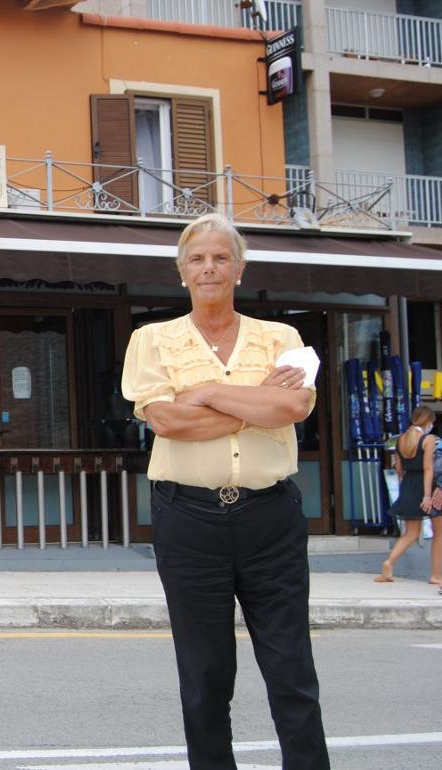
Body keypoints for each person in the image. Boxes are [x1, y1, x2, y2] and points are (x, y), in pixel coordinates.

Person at [122, 213, 329, 770]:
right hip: (187, 519)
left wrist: (210, 392)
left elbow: (292, 406)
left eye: (220, 257)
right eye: (197, 259)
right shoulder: (152, 339)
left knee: (291, 666)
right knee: (205, 671)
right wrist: (252, 401)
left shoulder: (281, 338)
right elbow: (166, 421)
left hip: (271, 518)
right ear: (182, 272)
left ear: (239, 269)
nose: (209, 267)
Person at [375, 406, 440, 585]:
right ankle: (436, 575)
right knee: (439, 534)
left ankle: (389, 562)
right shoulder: (428, 440)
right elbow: (428, 469)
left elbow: (399, 469)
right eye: (432, 422)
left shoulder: (401, 439)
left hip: (408, 486)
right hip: (427, 488)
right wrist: (427, 496)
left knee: (411, 533)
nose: (432, 425)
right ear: (427, 422)